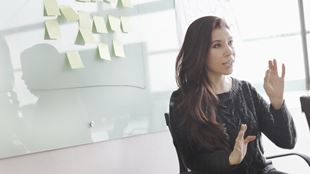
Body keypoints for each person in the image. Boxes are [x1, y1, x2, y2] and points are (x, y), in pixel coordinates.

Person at [169, 16, 296, 174]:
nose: (229, 52)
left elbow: (287, 141)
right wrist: (230, 159)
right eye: (217, 45)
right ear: (199, 52)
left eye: (230, 42)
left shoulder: (245, 90)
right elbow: (192, 160)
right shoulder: (182, 100)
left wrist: (278, 103)